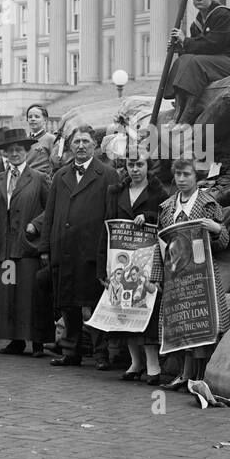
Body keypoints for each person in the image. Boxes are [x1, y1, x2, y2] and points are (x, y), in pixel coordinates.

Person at [31, 124, 120, 367]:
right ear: (70, 146)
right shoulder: (61, 176)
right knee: (67, 302)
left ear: (96, 146)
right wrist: (46, 247)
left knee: (95, 302)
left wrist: (108, 252)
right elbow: (49, 214)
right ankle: (71, 351)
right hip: (64, 249)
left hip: (92, 250)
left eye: (86, 142)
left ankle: (102, 354)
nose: (81, 146)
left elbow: (112, 215)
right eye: (77, 142)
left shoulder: (108, 175)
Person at [151, 155, 230, 390]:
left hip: (202, 274)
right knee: (182, 323)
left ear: (197, 178)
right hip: (177, 274)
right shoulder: (166, 208)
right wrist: (156, 276)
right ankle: (185, 375)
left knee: (202, 322)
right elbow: (160, 243)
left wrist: (217, 229)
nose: (182, 179)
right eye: (178, 175)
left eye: (187, 175)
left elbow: (222, 243)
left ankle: (199, 376)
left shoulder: (208, 204)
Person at [0, 126, 53, 357]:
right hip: (4, 249)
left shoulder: (39, 178)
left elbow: (50, 208)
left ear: (26, 151)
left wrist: (36, 225)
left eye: (19, 149)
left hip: (27, 247)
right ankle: (15, 339)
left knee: (31, 294)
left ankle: (38, 342)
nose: (14, 154)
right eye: (10, 150)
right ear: (5, 153)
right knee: (9, 290)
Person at [101, 148, 167, 383]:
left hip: (148, 261)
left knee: (147, 307)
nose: (135, 169)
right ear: (125, 167)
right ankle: (135, 362)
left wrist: (148, 217)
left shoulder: (158, 193)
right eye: (131, 165)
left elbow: (165, 221)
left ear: (148, 166)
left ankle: (153, 365)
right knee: (125, 308)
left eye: (140, 164)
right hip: (120, 260)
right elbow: (106, 227)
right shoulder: (116, 192)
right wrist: (104, 266)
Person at [164, 0, 230, 125]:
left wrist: (185, 41)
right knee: (184, 60)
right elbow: (195, 50)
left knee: (194, 62)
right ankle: (179, 109)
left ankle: (190, 110)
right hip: (214, 62)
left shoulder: (223, 14)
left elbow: (214, 45)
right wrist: (180, 47)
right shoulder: (196, 24)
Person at [25, 104, 58, 176]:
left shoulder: (51, 139)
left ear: (45, 120)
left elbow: (56, 163)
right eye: (30, 117)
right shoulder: (24, 139)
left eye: (37, 117)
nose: (33, 119)